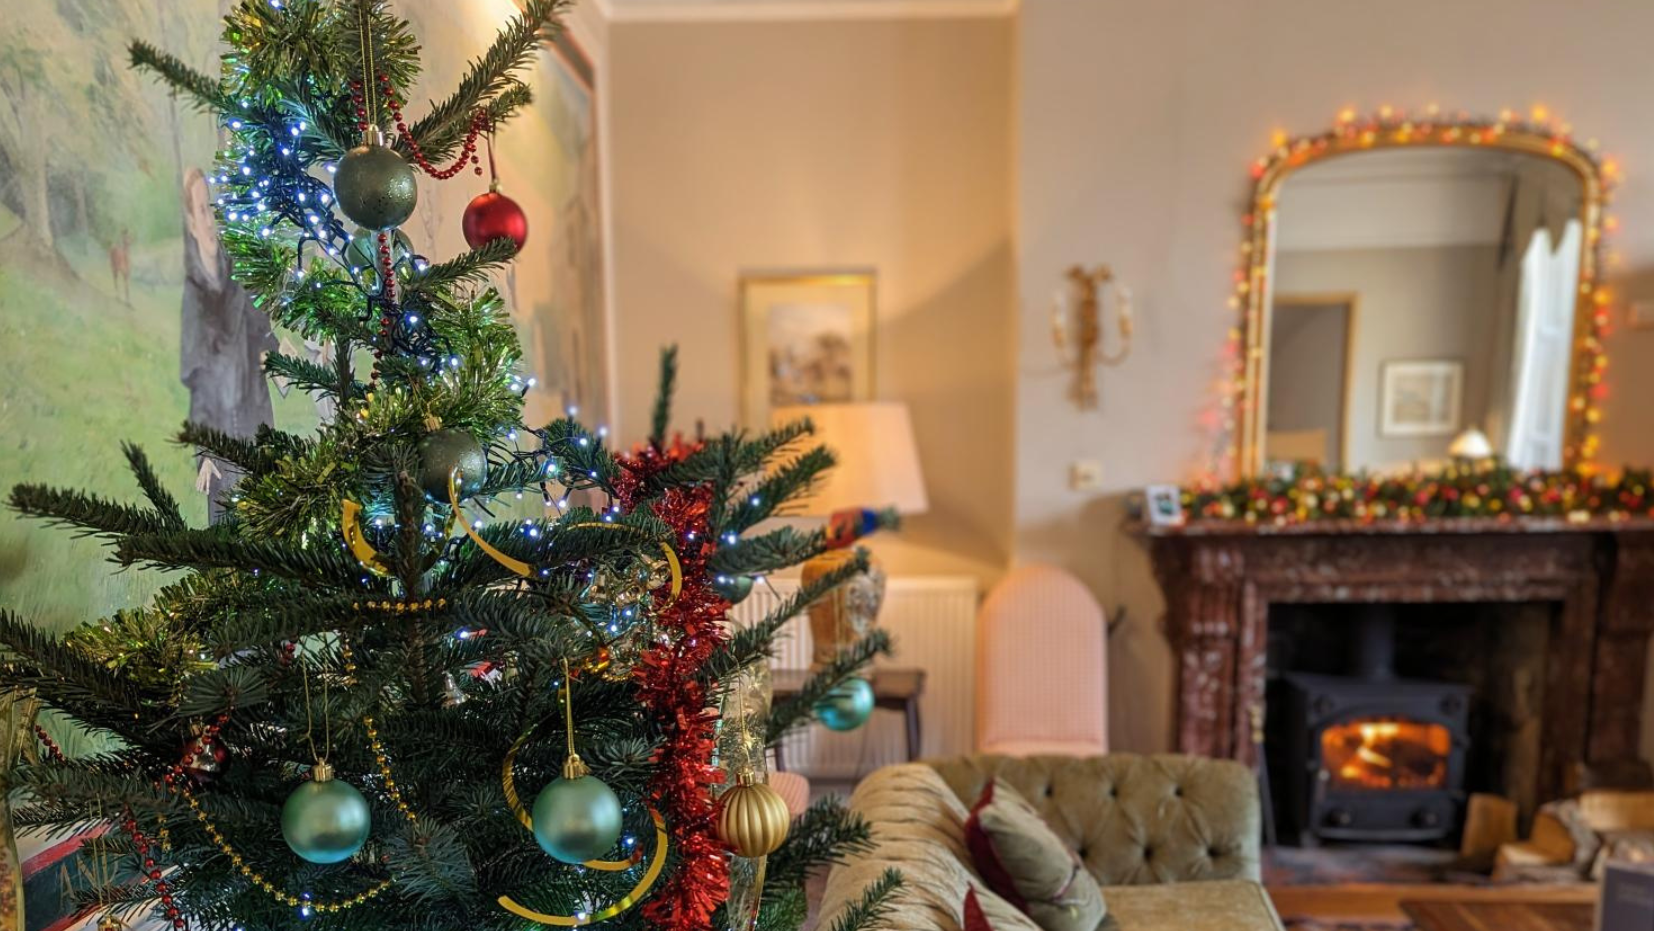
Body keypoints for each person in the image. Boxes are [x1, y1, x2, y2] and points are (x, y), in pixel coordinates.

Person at [179, 167, 276, 521]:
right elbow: (199, 381)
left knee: (266, 524)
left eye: (211, 207)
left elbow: (260, 328)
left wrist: (279, 358)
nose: (210, 219)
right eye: (202, 209)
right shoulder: (195, 295)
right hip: (221, 444)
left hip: (257, 420)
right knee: (230, 539)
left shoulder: (234, 272)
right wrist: (205, 453)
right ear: (191, 221)